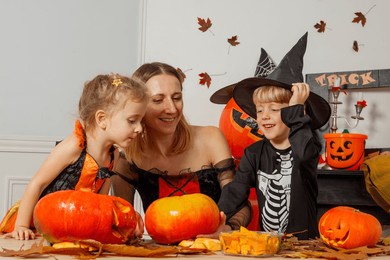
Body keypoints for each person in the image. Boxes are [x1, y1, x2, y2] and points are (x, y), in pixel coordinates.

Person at [111, 62, 252, 234]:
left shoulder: (211, 139)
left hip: (213, 250)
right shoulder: (127, 156)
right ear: (138, 105)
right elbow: (122, 219)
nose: (171, 109)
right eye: (158, 100)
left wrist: (227, 228)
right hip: (163, 253)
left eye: (176, 98)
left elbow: (240, 204)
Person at [3, 73, 148, 240]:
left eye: (140, 121)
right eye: (132, 121)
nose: (139, 128)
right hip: (39, 224)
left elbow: (99, 203)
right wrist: (21, 225)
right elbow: (37, 184)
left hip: (71, 228)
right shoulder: (74, 146)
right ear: (102, 119)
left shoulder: (113, 155)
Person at [218, 32, 331, 239]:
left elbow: (305, 154)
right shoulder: (254, 153)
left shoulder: (307, 147)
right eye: (260, 110)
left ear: (297, 112)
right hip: (267, 244)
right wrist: (216, 217)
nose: (264, 117)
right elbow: (236, 190)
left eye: (275, 109)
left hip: (304, 246)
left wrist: (296, 107)